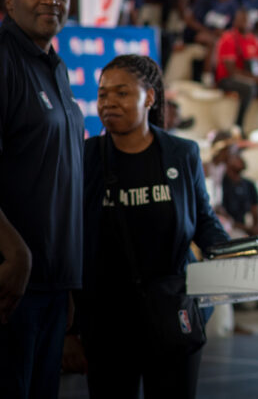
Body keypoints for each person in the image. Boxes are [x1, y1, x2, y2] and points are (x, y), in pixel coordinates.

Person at [79, 54, 229, 398]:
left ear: (149, 97)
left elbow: (203, 221)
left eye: (122, 93)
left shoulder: (182, 153)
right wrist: (74, 329)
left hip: (172, 315)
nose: (109, 103)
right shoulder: (87, 158)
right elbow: (77, 239)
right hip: (108, 322)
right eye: (103, 95)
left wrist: (236, 254)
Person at [0, 0, 83, 399]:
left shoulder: (56, 68)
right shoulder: (4, 59)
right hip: (12, 287)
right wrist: (16, 254)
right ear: (9, 1)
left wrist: (65, 281)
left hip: (52, 286)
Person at [214, 8, 258, 131]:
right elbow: (232, 71)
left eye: (246, 20)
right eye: (240, 19)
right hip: (227, 79)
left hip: (252, 78)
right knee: (249, 88)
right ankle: (238, 126)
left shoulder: (255, 40)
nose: (243, 22)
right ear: (235, 21)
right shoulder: (228, 38)